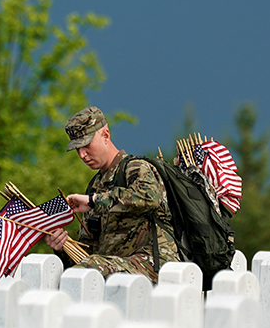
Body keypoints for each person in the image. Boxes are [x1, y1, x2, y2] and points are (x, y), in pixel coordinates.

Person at [46, 106, 180, 282]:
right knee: (73, 274)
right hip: (116, 271)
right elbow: (89, 252)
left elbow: (150, 198)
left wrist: (94, 201)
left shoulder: (136, 168)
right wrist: (62, 248)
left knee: (88, 269)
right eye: (77, 149)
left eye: (86, 145)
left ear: (105, 135)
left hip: (154, 266)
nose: (82, 155)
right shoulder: (95, 186)